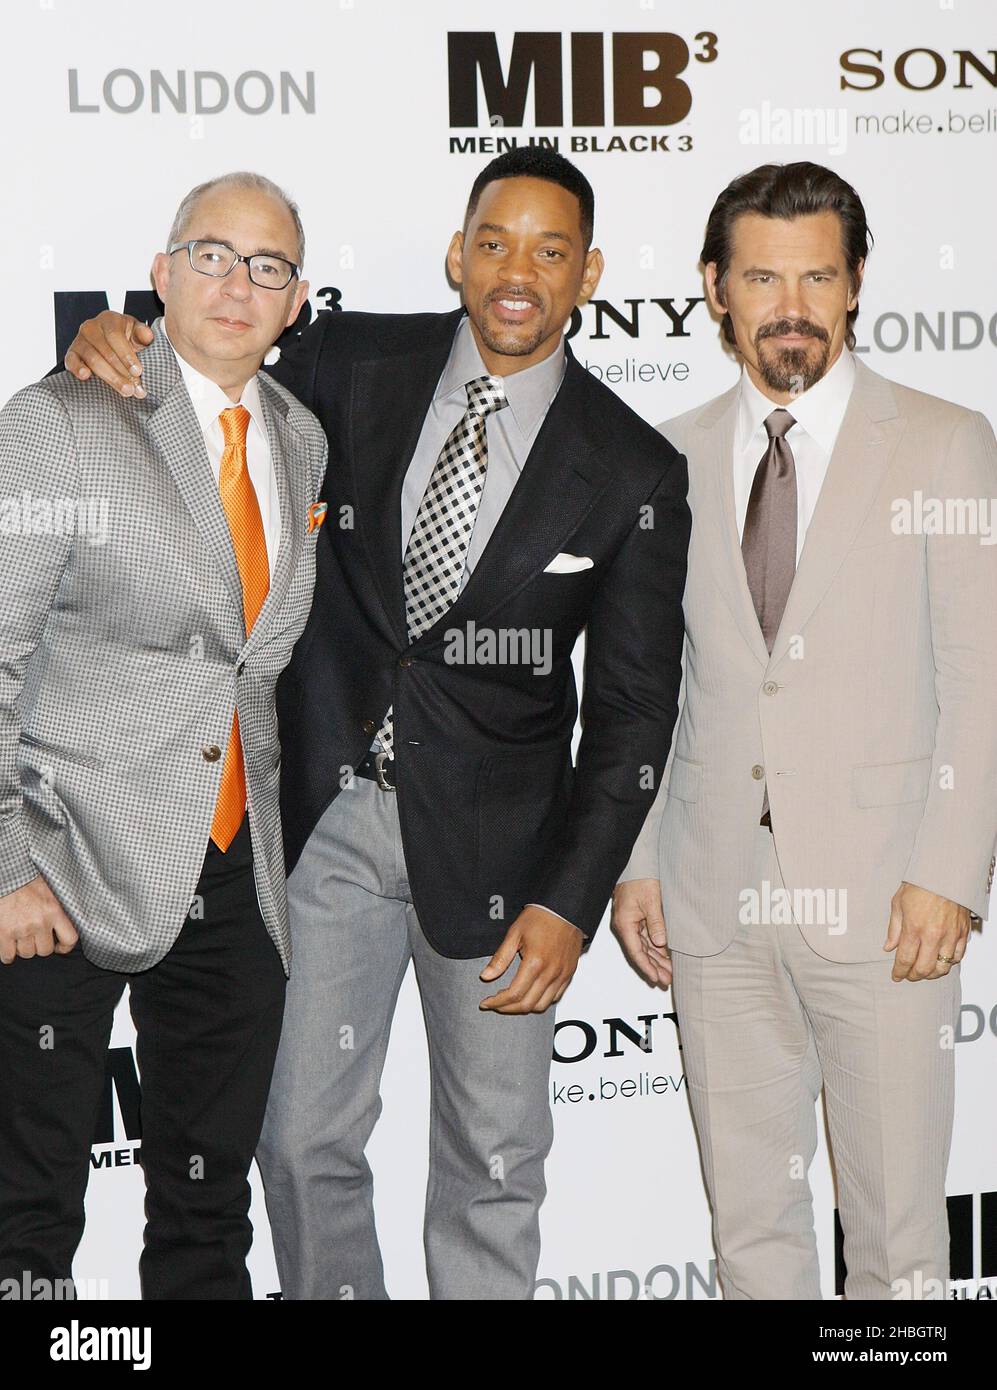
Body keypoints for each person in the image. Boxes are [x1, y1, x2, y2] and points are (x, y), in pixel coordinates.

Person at [66, 147, 690, 1299]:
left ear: (588, 272)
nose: (518, 271)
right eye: (495, 242)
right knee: (300, 1142)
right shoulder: (349, 360)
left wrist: (569, 898)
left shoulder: (633, 467)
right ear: (458, 254)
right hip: (323, 827)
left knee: (494, 1165)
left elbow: (634, 709)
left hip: (507, 866)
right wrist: (117, 337)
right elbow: (214, 350)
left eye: (551, 251)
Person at [613, 161, 997, 1300]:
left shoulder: (940, 441)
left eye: (817, 276)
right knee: (750, 1235)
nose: (792, 304)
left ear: (857, 282)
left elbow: (981, 676)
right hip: (712, 891)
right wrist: (638, 865)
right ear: (714, 288)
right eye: (763, 277)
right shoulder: (665, 453)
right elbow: (646, 686)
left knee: (895, 1244)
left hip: (888, 903)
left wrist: (949, 872)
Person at [0, 171, 327, 1299]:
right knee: (28, 1218)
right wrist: (5, 873)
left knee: (206, 1206)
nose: (238, 285)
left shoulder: (300, 439)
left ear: (297, 303)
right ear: (160, 273)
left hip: (235, 877)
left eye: (269, 267)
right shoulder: (59, 423)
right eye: (211, 255)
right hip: (65, 864)